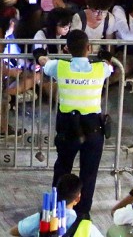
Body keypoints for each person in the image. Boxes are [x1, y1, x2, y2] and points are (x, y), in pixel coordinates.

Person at [36, 29, 112, 215]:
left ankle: (57, 210)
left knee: (62, 168)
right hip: (93, 127)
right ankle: (83, 213)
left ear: (66, 48)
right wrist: (105, 57)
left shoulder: (59, 66)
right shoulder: (100, 68)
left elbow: (44, 63)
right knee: (89, 172)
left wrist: (39, 55)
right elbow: (110, 67)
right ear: (89, 47)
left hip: (68, 126)